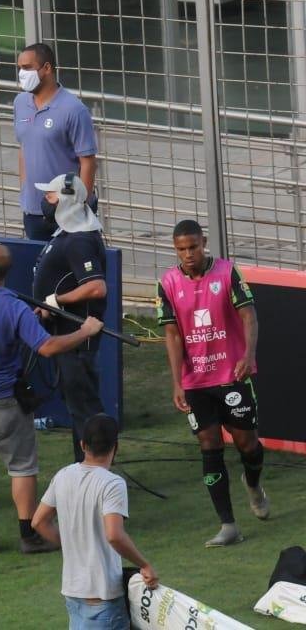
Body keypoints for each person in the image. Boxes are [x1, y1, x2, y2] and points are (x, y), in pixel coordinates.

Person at [0, 242, 104, 556]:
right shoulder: (14, 307)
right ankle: (28, 535)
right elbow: (47, 347)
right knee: (22, 468)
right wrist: (85, 331)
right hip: (3, 401)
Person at [156, 219, 269, 547]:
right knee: (209, 444)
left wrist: (248, 355)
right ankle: (228, 525)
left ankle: (254, 483)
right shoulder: (167, 283)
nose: (188, 254)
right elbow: (172, 334)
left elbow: (249, 315)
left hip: (232, 374)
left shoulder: (227, 273)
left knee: (247, 443)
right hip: (196, 381)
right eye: (181, 249)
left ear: (204, 243)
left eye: (193, 247)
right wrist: (177, 382)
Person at [32, 414, 159, 630]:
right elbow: (114, 535)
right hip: (102, 598)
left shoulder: (63, 475)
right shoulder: (112, 484)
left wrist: (72, 543)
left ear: (82, 444)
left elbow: (38, 521)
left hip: (73, 593)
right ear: (115, 447)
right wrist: (144, 565)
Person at [32, 173, 108, 462]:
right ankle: (85, 466)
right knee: (76, 405)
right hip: (65, 335)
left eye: (50, 196)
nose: (45, 202)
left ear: (64, 199)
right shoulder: (67, 234)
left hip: (78, 340)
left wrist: (56, 300)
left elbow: (96, 287)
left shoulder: (79, 241)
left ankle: (97, 470)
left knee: (84, 407)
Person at [15, 43, 98, 242]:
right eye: (19, 68)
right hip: (33, 212)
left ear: (47, 68)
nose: (21, 73)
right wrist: (25, 191)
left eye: (27, 68)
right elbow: (23, 148)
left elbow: (87, 161)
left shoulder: (74, 109)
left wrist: (79, 207)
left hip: (67, 212)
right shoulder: (20, 103)